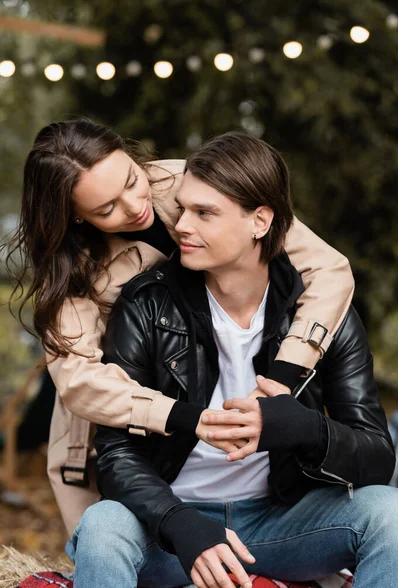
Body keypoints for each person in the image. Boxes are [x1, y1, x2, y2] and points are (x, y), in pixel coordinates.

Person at [70, 132, 397, 588]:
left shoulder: (321, 313)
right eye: (182, 209)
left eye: (205, 213)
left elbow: (377, 460)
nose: (180, 225)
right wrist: (179, 524)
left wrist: (305, 429)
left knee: (391, 514)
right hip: (172, 530)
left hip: (280, 523)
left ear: (260, 221)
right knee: (102, 525)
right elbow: (118, 454)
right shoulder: (146, 305)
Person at [5, 118, 354, 535]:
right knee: (113, 544)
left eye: (132, 180)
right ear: (75, 218)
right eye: (106, 209)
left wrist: (283, 374)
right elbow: (81, 381)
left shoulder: (186, 181)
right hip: (117, 413)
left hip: (231, 389)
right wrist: (187, 417)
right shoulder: (72, 272)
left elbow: (329, 269)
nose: (135, 205)